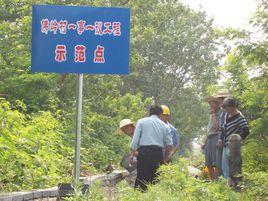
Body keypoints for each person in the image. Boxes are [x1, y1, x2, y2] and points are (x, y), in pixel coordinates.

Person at [130, 105, 173, 191]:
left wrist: (132, 156)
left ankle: (139, 197)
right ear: (160, 114)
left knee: (141, 177)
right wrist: (164, 159)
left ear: (149, 113)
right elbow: (169, 145)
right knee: (155, 179)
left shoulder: (141, 122)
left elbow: (135, 141)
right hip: (157, 154)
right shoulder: (165, 126)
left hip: (144, 152)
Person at [217, 97, 249, 182]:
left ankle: (237, 185)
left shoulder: (240, 117)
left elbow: (246, 131)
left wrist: (237, 140)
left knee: (235, 166)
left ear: (232, 107)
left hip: (235, 147)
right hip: (226, 144)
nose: (227, 111)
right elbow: (224, 129)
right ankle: (230, 185)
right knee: (227, 166)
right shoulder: (227, 115)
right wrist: (220, 139)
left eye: (227, 108)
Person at [202, 96, 221, 180]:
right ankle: (213, 182)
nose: (210, 105)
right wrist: (204, 142)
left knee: (216, 162)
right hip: (209, 139)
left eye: (212, 103)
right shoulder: (211, 114)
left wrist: (214, 115)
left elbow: (218, 128)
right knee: (208, 163)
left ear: (217, 103)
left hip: (216, 137)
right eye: (209, 103)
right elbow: (209, 130)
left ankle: (217, 182)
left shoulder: (220, 113)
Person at [214, 89, 230, 176]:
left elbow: (224, 127)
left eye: (219, 99)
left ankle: (230, 187)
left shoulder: (228, 112)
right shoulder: (223, 112)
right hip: (224, 140)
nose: (217, 101)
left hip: (229, 141)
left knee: (227, 166)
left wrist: (220, 139)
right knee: (224, 166)